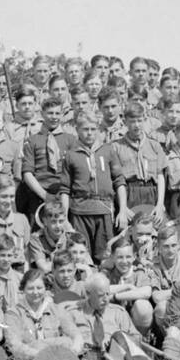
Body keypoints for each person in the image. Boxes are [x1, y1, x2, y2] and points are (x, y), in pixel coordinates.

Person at [59, 111, 118, 263]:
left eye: (93, 129)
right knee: (80, 256)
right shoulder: (70, 155)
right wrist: (65, 218)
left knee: (104, 255)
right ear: (77, 130)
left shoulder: (108, 150)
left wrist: (123, 210)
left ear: (98, 130)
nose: (89, 133)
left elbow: (119, 181)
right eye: (85, 129)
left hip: (103, 209)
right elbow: (65, 190)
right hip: (80, 211)